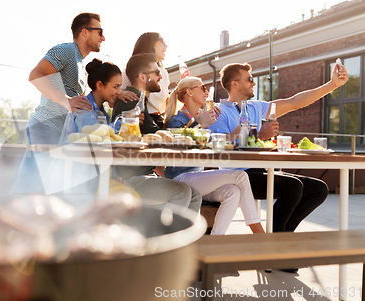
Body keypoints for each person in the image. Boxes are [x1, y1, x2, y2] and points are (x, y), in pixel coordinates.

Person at [208, 62, 349, 235]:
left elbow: (294, 102)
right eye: (250, 79)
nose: (254, 83)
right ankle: (276, 242)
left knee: (318, 189)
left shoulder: (256, 107)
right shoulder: (218, 112)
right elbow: (220, 150)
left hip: (262, 169)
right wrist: (259, 136)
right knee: (293, 187)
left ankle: (280, 239)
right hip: (238, 175)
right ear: (234, 84)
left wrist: (332, 84)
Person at [59, 58, 201, 214]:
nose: (119, 91)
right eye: (116, 87)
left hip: (105, 178)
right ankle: (163, 235)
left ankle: (175, 235)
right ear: (100, 85)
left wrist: (114, 173)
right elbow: (94, 134)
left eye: (120, 86)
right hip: (84, 183)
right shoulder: (84, 106)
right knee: (182, 192)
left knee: (192, 194)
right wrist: (125, 120)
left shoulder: (101, 112)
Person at [11, 13, 105, 194]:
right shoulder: (67, 50)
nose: (103, 37)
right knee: (26, 186)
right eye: (99, 32)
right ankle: (0, 219)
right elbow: (36, 75)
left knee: (41, 189)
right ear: (84, 32)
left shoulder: (79, 62)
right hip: (45, 127)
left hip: (58, 133)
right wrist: (67, 101)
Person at [163, 77, 264, 235]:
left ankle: (216, 239)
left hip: (197, 178)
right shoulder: (177, 121)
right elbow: (179, 146)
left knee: (233, 191)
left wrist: (232, 135)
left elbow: (209, 146)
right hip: (179, 178)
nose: (206, 91)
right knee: (240, 176)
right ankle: (260, 235)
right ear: (189, 92)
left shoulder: (198, 118)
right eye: (202, 87)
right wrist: (199, 125)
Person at [111, 54, 202, 214]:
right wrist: (197, 123)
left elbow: (159, 137)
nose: (161, 76)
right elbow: (160, 138)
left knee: (194, 195)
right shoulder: (131, 104)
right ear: (142, 77)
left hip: (145, 174)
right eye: (156, 73)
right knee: (182, 192)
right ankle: (168, 236)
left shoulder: (139, 102)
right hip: (129, 179)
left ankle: (184, 237)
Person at [121, 33, 176, 128]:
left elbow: (165, 104)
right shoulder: (129, 71)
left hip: (158, 120)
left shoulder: (164, 73)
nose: (165, 45)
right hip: (139, 120)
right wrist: (119, 94)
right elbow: (115, 98)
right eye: (162, 41)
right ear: (151, 43)